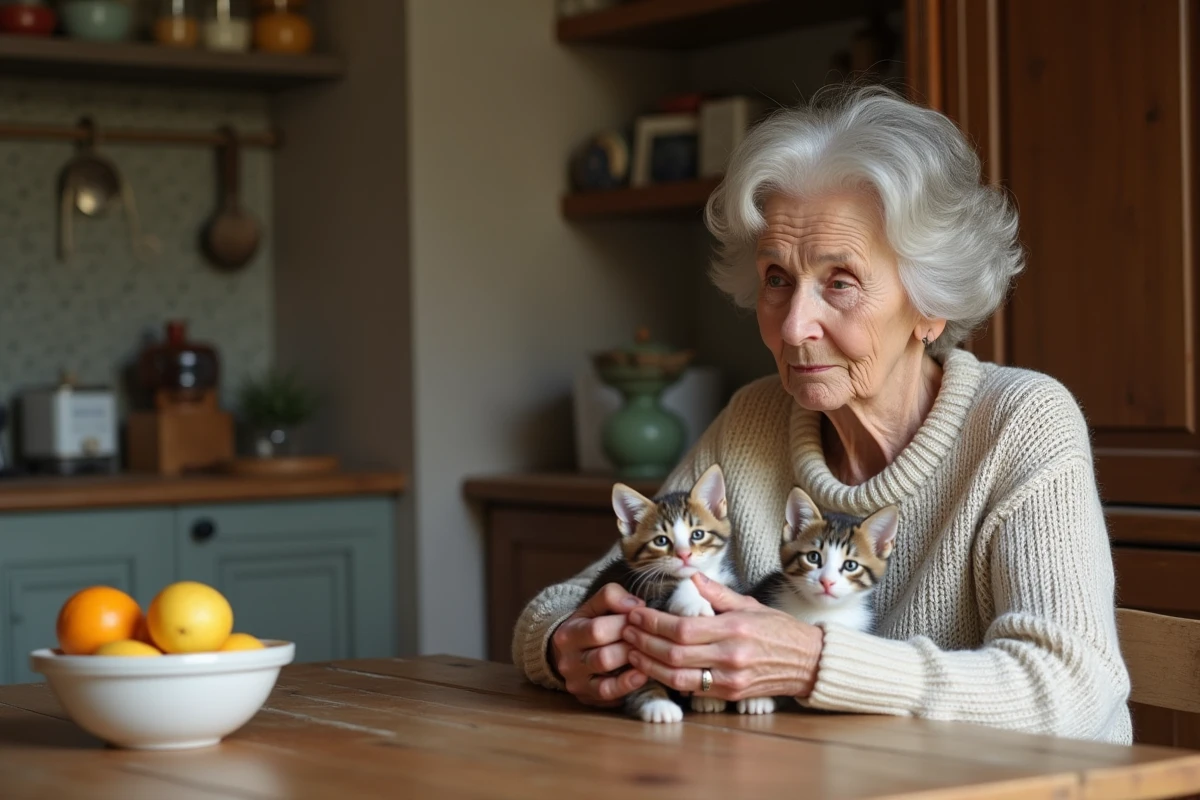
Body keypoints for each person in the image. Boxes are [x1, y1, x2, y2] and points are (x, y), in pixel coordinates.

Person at [512, 85, 1131, 743]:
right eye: (777, 278)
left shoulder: (1021, 423)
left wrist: (814, 664)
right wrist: (566, 645)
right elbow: (572, 599)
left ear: (931, 303)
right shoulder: (754, 419)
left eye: (840, 282)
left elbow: (1072, 688)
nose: (795, 325)